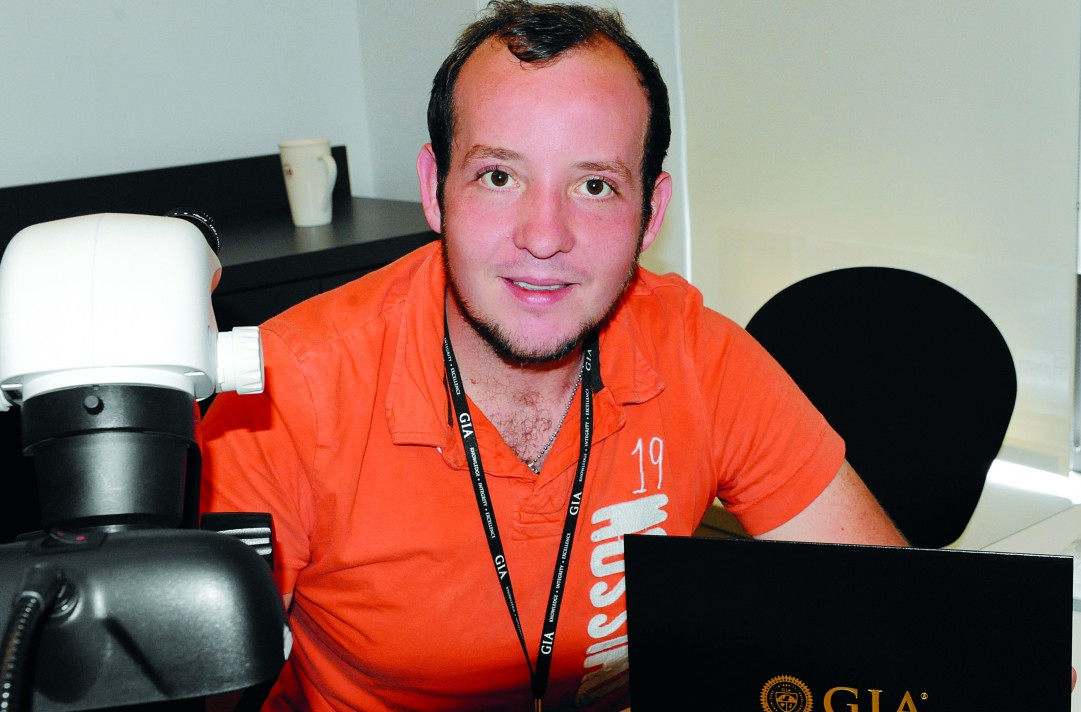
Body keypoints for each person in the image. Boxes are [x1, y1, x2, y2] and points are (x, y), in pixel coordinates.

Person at [199, 1, 906, 709]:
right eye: (498, 177)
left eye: (594, 186)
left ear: (650, 215)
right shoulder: (283, 395)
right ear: (435, 190)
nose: (544, 237)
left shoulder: (698, 355)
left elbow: (897, 623)